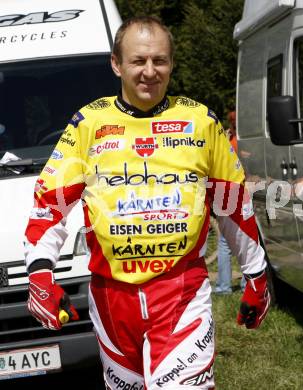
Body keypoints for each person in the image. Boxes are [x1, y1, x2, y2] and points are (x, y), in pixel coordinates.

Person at [24, 16, 270, 390]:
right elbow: (50, 206)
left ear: (171, 63)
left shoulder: (200, 121)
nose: (150, 72)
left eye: (160, 61)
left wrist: (255, 273)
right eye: (138, 61)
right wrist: (40, 272)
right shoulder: (88, 123)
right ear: (116, 64)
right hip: (111, 299)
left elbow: (233, 204)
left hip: (180, 292)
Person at [214, 111, 246, 294]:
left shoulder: (226, 141)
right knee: (244, 241)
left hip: (225, 191)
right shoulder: (242, 142)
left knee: (225, 243)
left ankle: (224, 286)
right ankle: (244, 284)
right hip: (240, 191)